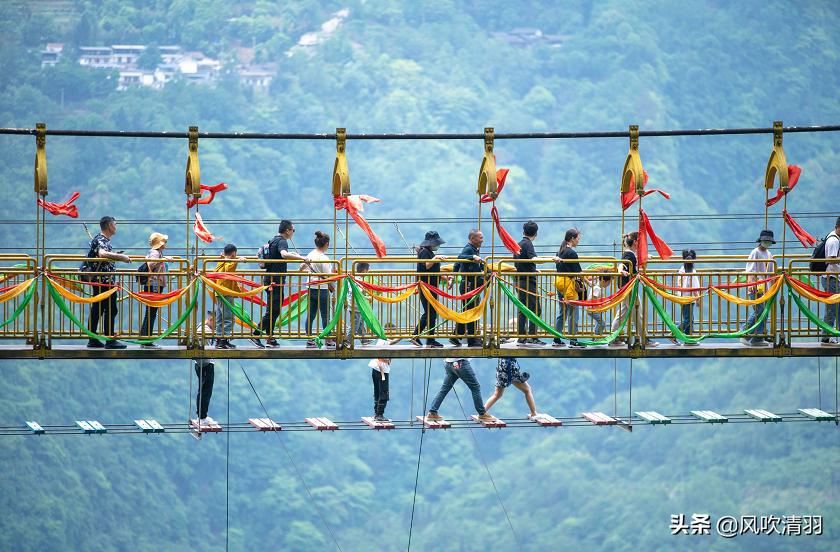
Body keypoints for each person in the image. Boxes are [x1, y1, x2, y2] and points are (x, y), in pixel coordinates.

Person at [251, 220, 309, 348]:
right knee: (273, 310)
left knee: (273, 309)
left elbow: (280, 254)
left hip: (272, 279)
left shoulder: (274, 240)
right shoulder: (283, 241)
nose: (293, 233)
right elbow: (284, 254)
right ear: (287, 230)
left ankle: (270, 337)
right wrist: (302, 258)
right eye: (293, 230)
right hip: (275, 281)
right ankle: (255, 334)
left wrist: (294, 254)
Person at [86, 216, 131, 349]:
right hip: (104, 282)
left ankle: (92, 339)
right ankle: (110, 340)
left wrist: (114, 254)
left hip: (101, 281)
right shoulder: (101, 240)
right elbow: (102, 253)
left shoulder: (101, 239)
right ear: (109, 225)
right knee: (111, 309)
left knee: (98, 310)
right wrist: (121, 257)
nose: (116, 227)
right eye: (115, 224)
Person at [609, 232, 657, 347]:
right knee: (637, 312)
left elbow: (629, 263)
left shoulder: (628, 254)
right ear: (635, 242)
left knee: (622, 313)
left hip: (626, 288)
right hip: (629, 288)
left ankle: (613, 337)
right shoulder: (629, 256)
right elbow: (623, 265)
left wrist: (645, 257)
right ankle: (644, 338)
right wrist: (621, 271)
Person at [426, 358, 494, 421]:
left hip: (448, 363)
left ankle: (432, 412)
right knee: (475, 387)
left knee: (444, 389)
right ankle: (482, 413)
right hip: (460, 363)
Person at [740, 230, 775, 347]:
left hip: (765, 287)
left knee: (764, 312)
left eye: (769, 241)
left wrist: (774, 285)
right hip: (756, 287)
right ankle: (744, 333)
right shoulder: (755, 252)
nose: (767, 243)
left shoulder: (769, 254)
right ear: (760, 240)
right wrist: (751, 284)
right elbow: (750, 270)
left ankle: (758, 338)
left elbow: (771, 272)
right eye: (765, 240)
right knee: (759, 310)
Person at [451, 229, 485, 347]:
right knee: (470, 311)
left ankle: (457, 335)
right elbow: (460, 257)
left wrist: (453, 275)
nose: (482, 239)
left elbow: (457, 263)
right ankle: (470, 339)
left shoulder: (474, 249)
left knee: (469, 311)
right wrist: (473, 256)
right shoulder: (469, 249)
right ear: (472, 239)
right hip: (468, 285)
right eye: (480, 237)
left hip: (471, 284)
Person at [412, 231, 446, 348]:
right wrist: (436, 258)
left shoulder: (429, 252)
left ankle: (428, 338)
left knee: (431, 313)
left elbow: (433, 269)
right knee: (429, 313)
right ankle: (419, 336)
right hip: (426, 287)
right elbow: (426, 266)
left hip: (432, 287)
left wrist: (444, 277)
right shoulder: (425, 253)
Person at [552, 228, 585, 348]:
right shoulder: (571, 253)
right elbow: (578, 272)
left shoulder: (560, 251)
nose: (578, 241)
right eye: (577, 239)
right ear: (572, 238)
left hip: (560, 283)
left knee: (562, 312)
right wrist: (587, 282)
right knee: (573, 312)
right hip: (569, 286)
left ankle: (556, 338)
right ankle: (573, 340)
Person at [514, 221, 545, 346]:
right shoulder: (528, 244)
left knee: (523, 309)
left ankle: (522, 336)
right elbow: (533, 258)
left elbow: (522, 262)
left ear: (523, 231)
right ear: (535, 234)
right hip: (528, 282)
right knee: (535, 309)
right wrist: (551, 259)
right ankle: (533, 336)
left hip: (519, 280)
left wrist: (533, 268)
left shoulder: (518, 244)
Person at [304, 231, 335, 348]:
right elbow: (328, 277)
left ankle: (309, 339)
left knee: (310, 315)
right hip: (322, 289)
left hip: (310, 288)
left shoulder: (310, 255)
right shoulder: (324, 258)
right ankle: (328, 340)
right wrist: (333, 283)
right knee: (325, 316)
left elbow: (303, 268)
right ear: (326, 244)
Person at [139, 232, 169, 348]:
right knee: (151, 312)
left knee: (151, 312)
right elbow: (151, 264)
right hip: (153, 285)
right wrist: (163, 260)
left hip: (154, 284)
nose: (165, 244)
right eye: (163, 242)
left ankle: (145, 338)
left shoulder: (157, 253)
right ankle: (146, 340)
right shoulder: (155, 253)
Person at [214, 244, 245, 349]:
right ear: (234, 253)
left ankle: (219, 340)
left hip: (219, 292)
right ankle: (224, 340)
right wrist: (238, 261)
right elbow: (229, 269)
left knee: (220, 318)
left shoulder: (221, 261)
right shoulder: (228, 263)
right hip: (226, 293)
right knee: (229, 318)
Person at [675, 249, 701, 345]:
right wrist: (697, 299)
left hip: (682, 296)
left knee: (690, 318)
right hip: (689, 298)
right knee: (688, 319)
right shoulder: (692, 272)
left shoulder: (682, 269)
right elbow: (693, 287)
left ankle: (688, 340)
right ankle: (673, 333)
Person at [820, 216, 840, 344]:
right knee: (832, 308)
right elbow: (831, 259)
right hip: (831, 278)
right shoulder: (834, 240)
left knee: (835, 308)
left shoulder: (835, 238)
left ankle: (829, 335)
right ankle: (827, 336)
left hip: (833, 278)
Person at [194, 311, 216, 427]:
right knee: (206, 391)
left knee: (203, 390)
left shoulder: (200, 326)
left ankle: (201, 415)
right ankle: (202, 417)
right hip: (206, 363)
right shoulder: (205, 330)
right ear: (211, 319)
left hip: (200, 363)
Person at [347, 262, 374, 345]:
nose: (368, 272)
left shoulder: (354, 278)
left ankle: (363, 338)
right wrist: (367, 298)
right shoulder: (358, 280)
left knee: (360, 322)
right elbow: (356, 293)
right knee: (355, 324)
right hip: (355, 306)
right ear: (364, 271)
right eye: (367, 270)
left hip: (355, 305)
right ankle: (347, 340)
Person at [368, 340, 391, 421]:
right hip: (382, 370)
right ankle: (379, 414)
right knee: (384, 392)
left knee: (377, 391)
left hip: (376, 369)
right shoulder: (385, 341)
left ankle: (376, 413)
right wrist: (387, 361)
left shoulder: (381, 340)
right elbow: (380, 357)